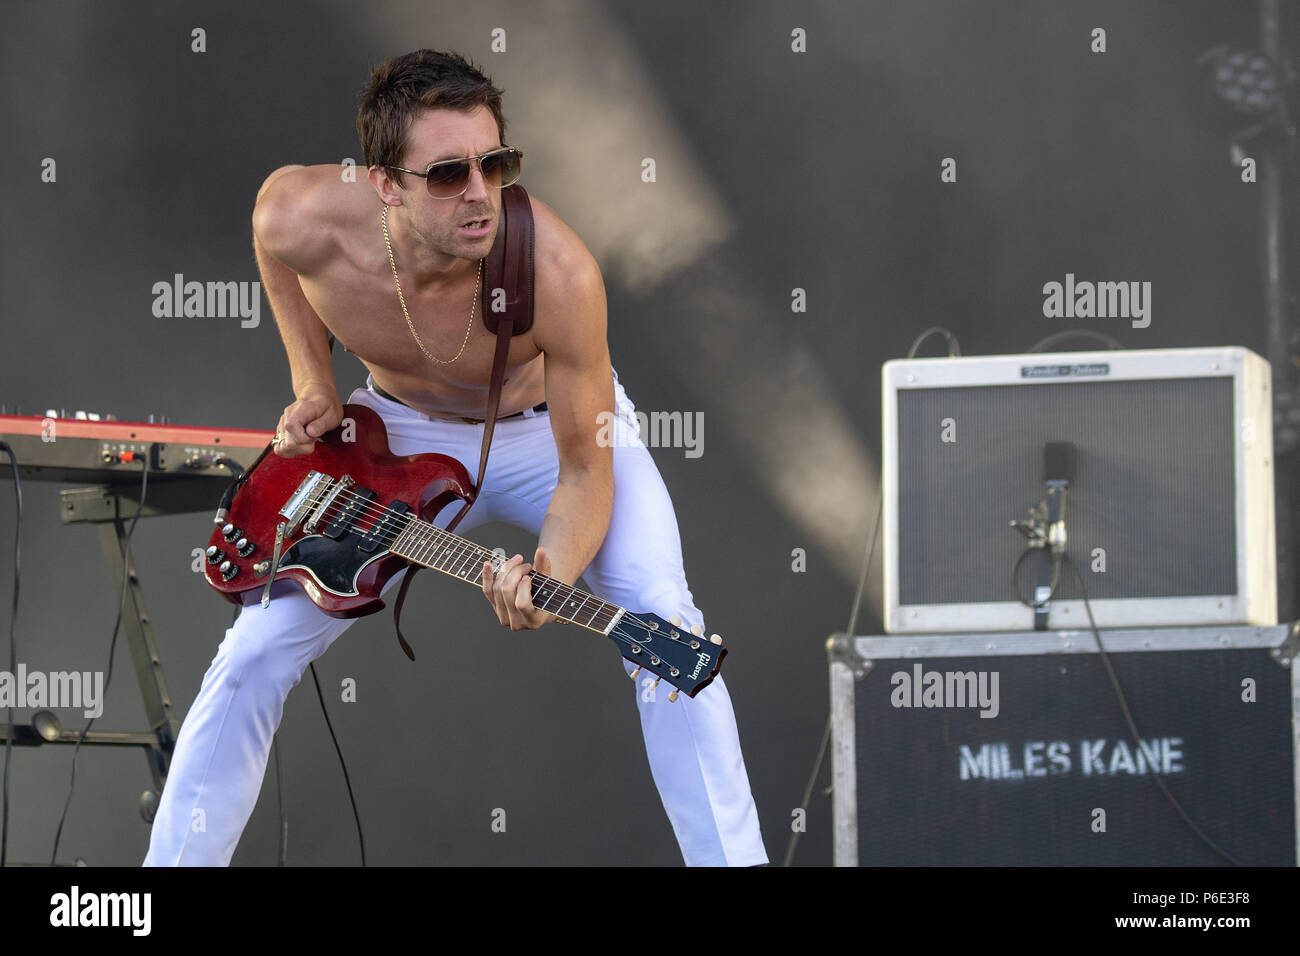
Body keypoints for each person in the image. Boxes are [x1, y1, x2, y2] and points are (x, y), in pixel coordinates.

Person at [142, 48, 767, 866]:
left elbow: (586, 467)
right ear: (384, 183)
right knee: (254, 651)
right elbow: (273, 248)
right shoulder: (302, 217)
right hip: (398, 431)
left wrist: (551, 575)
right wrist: (314, 382)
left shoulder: (558, 270)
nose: (480, 194)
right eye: (446, 174)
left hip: (554, 434)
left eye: (494, 164)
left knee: (664, 629)